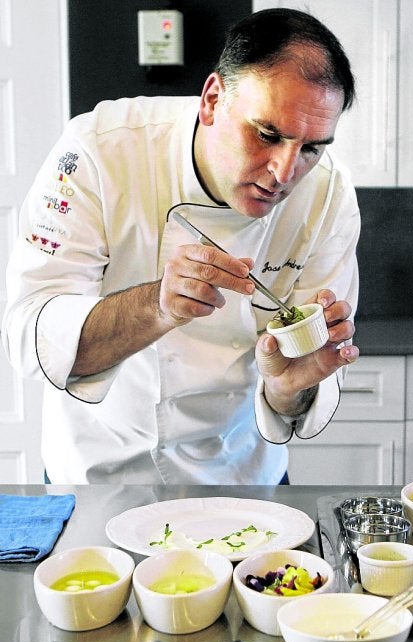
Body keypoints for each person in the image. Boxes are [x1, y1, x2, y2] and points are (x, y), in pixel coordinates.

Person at [2, 8, 360, 484]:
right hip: (99, 471)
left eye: (312, 147)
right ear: (212, 99)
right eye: (267, 134)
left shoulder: (329, 196)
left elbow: (294, 393)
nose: (284, 172)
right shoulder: (98, 150)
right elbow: (31, 336)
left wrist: (287, 387)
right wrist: (158, 306)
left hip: (240, 473)